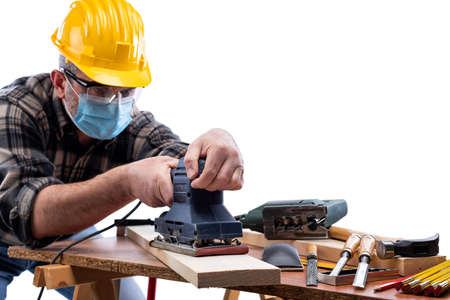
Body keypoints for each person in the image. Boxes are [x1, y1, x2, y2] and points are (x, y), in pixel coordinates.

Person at [0, 0, 244, 299]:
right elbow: (29, 214)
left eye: (126, 90)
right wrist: (128, 181)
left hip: (62, 238)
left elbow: (171, 155)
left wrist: (209, 151)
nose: (115, 104)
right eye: (100, 89)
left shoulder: (129, 123)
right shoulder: (15, 109)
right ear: (61, 82)